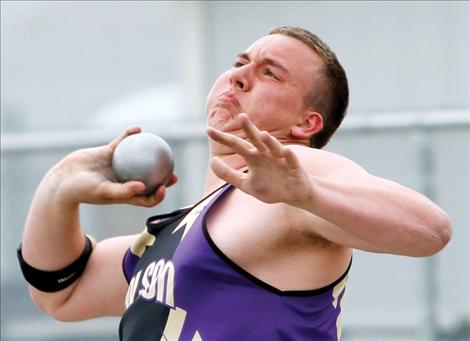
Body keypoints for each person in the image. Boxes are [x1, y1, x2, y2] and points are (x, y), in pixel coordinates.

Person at [17, 26, 452, 341]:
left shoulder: (297, 174)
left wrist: (307, 193)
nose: (239, 76)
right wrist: (58, 189)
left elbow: (430, 230)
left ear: (306, 123)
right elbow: (61, 293)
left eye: (270, 73)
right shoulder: (176, 233)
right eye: (239, 63)